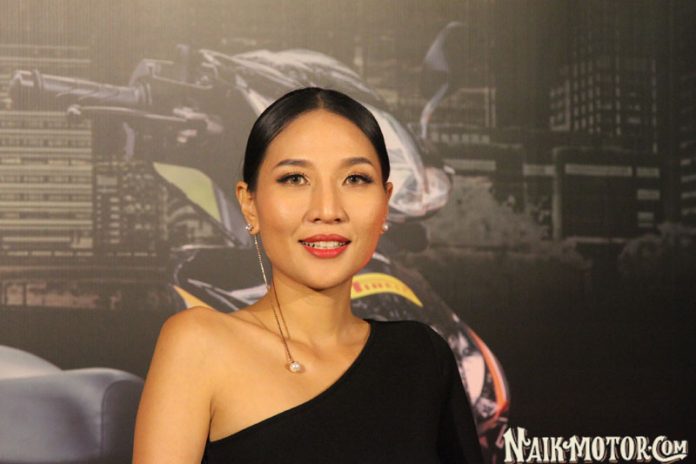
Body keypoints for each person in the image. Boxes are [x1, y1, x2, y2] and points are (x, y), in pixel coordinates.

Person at [132, 87, 484, 463]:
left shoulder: (422, 356)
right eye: (295, 179)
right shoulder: (199, 343)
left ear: (385, 203)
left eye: (355, 179)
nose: (327, 210)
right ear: (249, 205)